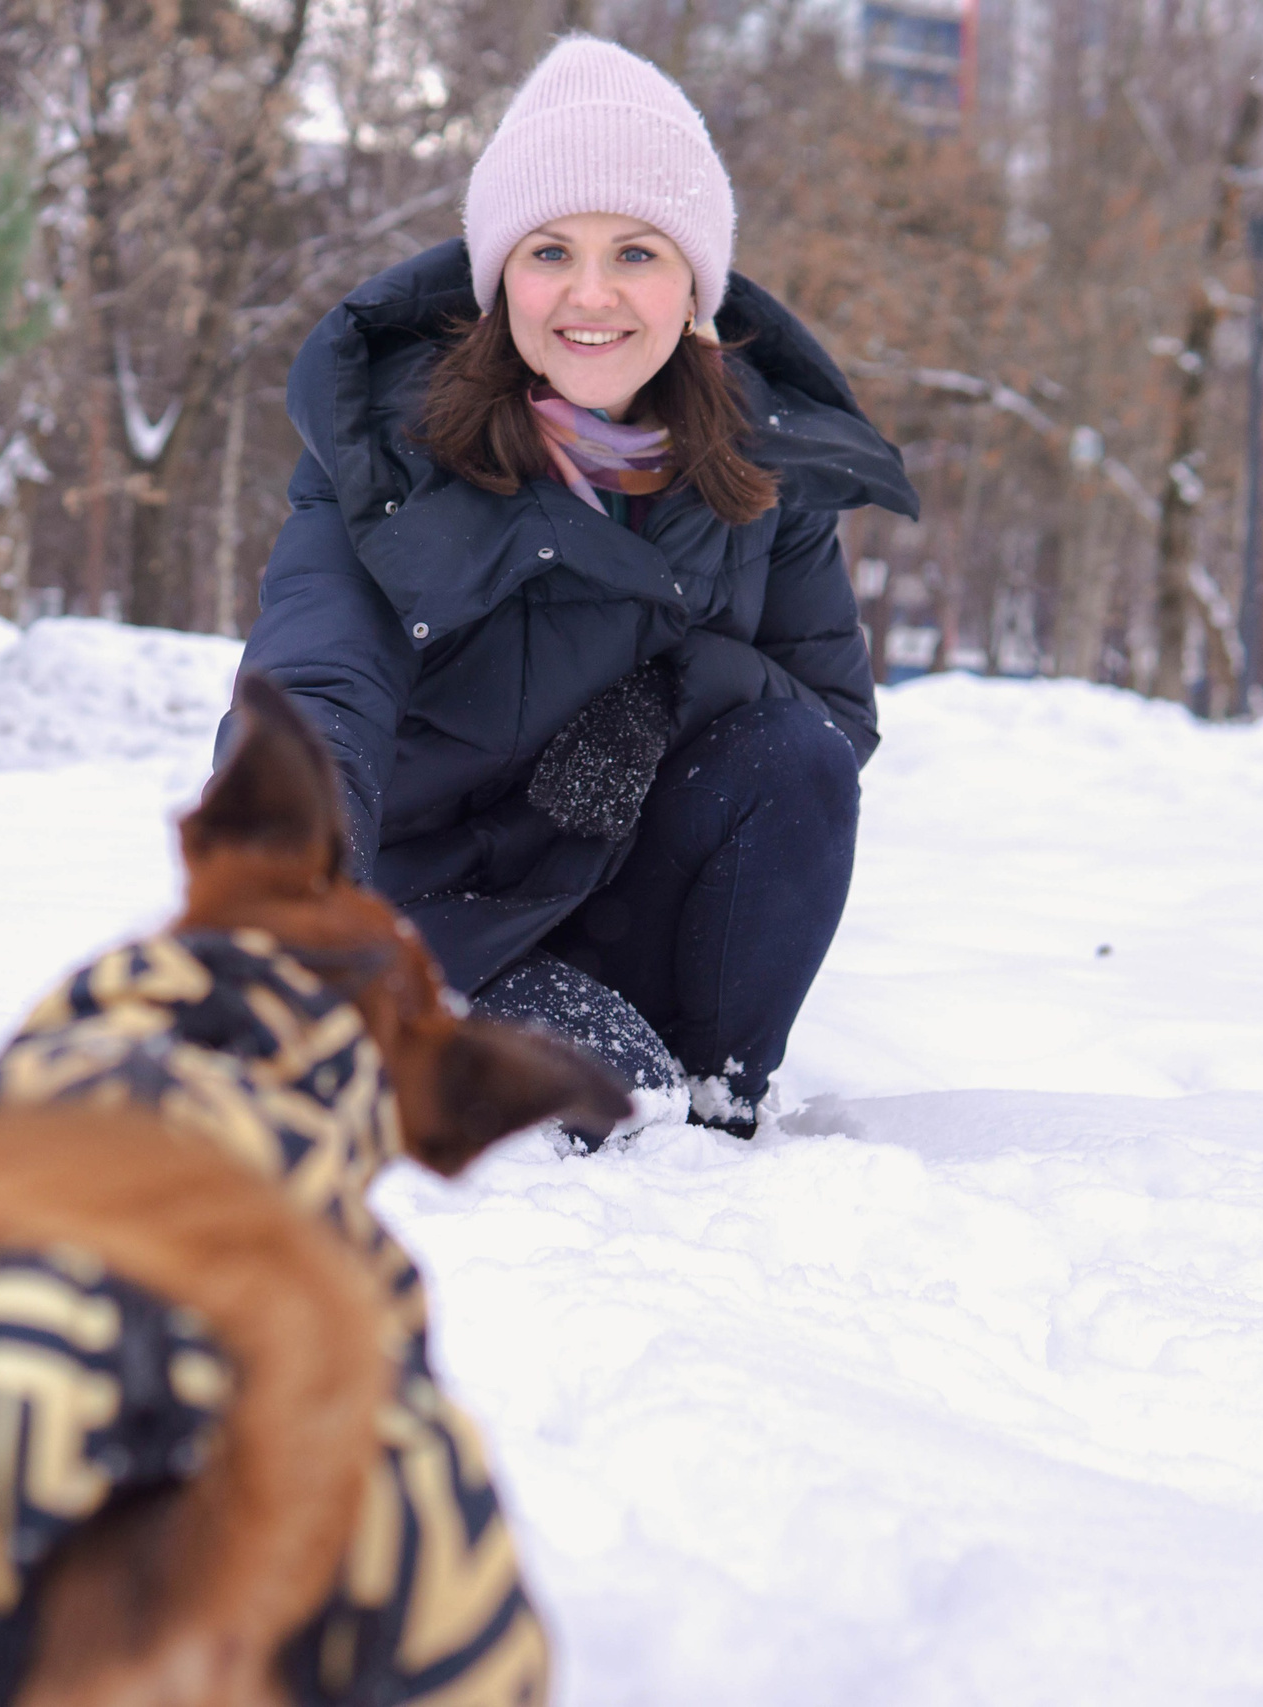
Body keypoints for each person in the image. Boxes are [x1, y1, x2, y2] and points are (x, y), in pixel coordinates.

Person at [223, 35, 919, 1138]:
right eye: (549, 250)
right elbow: (315, 687)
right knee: (587, 1092)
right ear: (498, 278)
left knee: (793, 759)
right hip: (430, 913)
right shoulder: (390, 451)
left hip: (623, 903)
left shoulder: (763, 467)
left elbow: (831, 726)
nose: (589, 295)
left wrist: (660, 702)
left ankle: (719, 1112)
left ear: (696, 286)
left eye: (636, 253)